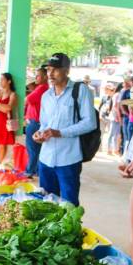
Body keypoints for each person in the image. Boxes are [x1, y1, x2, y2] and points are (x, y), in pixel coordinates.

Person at [33, 53, 96, 205]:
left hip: (68, 159)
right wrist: (39, 133)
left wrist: (60, 133)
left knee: (69, 206)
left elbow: (90, 122)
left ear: (67, 70)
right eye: (48, 70)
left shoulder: (80, 91)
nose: (50, 74)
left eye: (55, 69)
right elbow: (44, 123)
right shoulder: (46, 96)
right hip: (45, 158)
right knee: (46, 205)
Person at [24, 67, 49, 178]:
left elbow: (27, 100)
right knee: (36, 149)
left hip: (35, 122)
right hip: (37, 122)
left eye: (38, 75)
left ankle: (30, 171)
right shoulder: (42, 88)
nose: (36, 78)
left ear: (45, 77)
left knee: (32, 149)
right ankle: (36, 171)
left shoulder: (42, 88)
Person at [107, 83, 123, 156]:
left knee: (115, 134)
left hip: (115, 117)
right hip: (114, 117)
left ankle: (113, 149)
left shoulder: (116, 94)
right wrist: (118, 117)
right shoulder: (117, 95)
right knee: (112, 134)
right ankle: (109, 149)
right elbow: (115, 107)